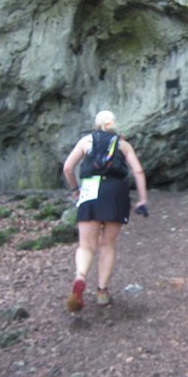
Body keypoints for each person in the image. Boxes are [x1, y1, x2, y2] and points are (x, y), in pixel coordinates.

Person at [62, 110, 148, 312]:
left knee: (86, 245)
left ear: (96, 125)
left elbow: (67, 168)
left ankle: (80, 276)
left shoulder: (86, 141)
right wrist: (143, 199)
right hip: (115, 191)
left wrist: (75, 189)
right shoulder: (123, 145)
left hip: (90, 189)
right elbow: (138, 171)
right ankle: (102, 292)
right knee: (107, 244)